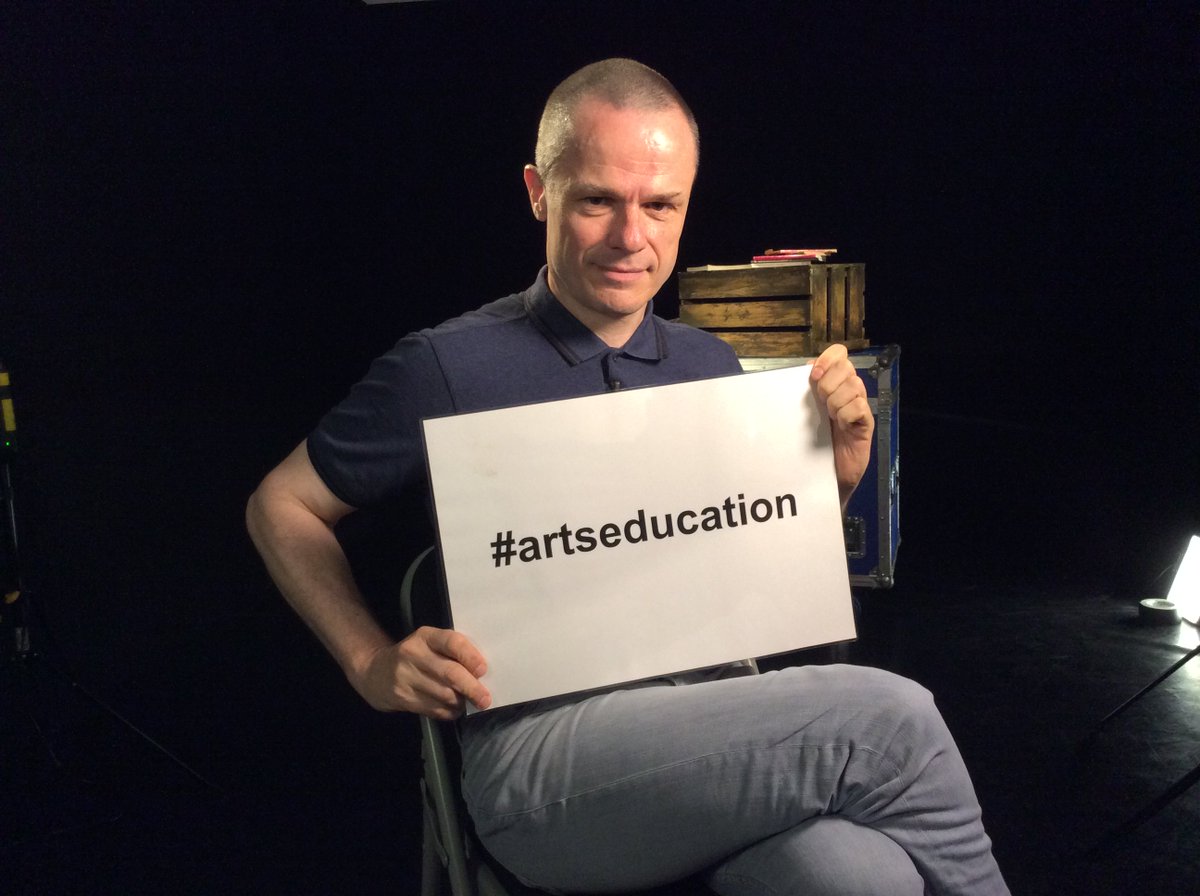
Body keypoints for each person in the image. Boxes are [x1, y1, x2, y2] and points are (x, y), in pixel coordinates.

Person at [247, 58, 1010, 896]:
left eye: (660, 205)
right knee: (892, 721)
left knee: (855, 874)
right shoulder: (445, 366)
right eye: (597, 201)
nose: (630, 236)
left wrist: (832, 484)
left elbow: (744, 579)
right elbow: (282, 505)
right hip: (546, 758)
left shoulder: (709, 364)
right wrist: (368, 661)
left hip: (714, 724)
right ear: (539, 193)